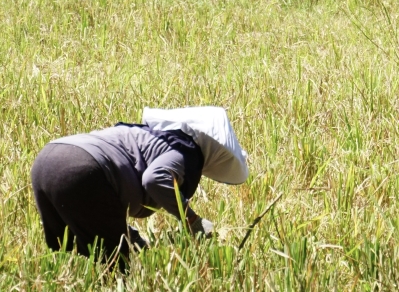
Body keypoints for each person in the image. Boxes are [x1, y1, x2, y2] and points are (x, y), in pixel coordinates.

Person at [29, 106, 249, 267]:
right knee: (115, 270)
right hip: (83, 169)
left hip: (46, 160)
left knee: (63, 256)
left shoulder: (149, 136)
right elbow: (155, 179)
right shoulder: (186, 152)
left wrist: (126, 233)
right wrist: (192, 220)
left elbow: (106, 199)